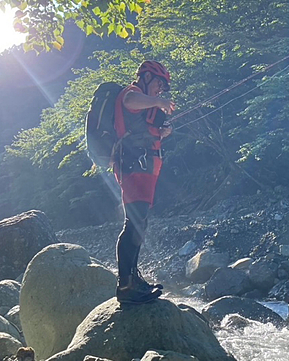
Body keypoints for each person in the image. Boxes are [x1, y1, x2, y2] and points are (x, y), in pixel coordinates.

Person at [113, 60, 175, 304]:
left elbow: (141, 130)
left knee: (139, 222)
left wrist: (161, 133)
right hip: (133, 166)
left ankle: (132, 279)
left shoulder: (143, 100)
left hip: (143, 167)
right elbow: (129, 102)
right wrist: (158, 102)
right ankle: (126, 285)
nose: (161, 90)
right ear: (147, 77)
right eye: (159, 83)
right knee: (135, 222)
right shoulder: (133, 92)